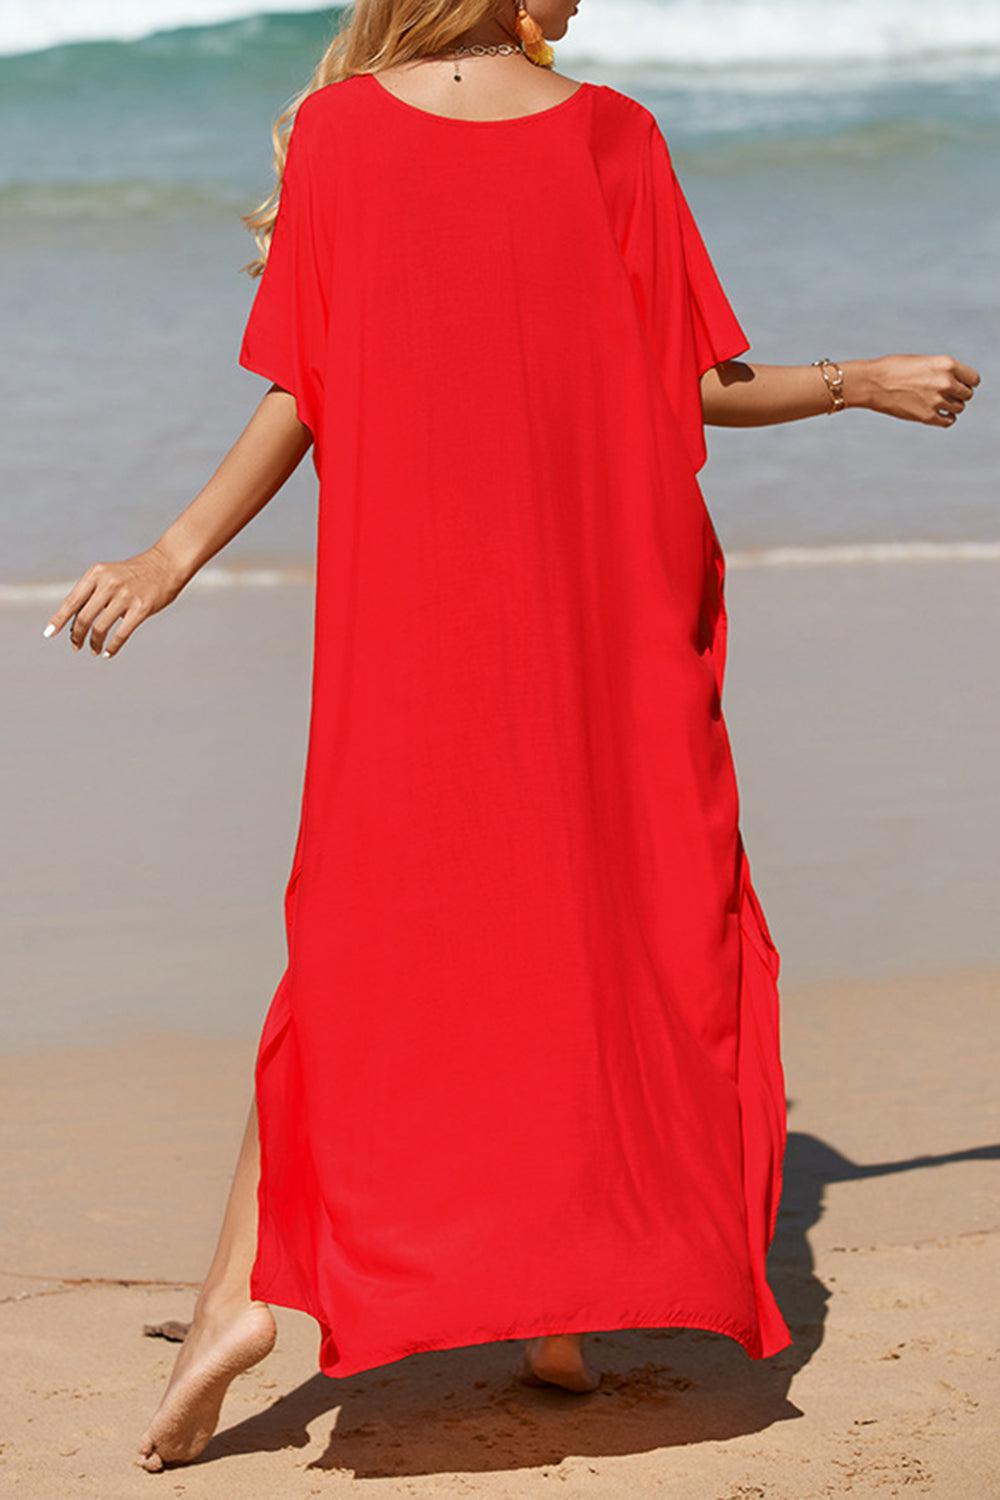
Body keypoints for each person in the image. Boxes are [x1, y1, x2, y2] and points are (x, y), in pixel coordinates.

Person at [40, 0, 980, 1475]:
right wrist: (864, 381)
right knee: (589, 925)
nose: (583, 0)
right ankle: (317, 1300)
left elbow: (306, 390)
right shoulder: (613, 136)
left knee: (371, 931)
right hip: (597, 610)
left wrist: (170, 555)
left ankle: (406, 1308)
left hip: (408, 620)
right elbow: (691, 388)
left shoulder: (344, 135)